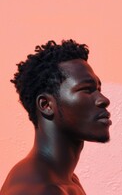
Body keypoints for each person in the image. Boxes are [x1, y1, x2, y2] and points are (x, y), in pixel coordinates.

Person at [1, 39, 112, 195]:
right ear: (46, 105)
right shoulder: (37, 190)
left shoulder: (67, 180)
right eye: (87, 90)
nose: (103, 100)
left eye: (98, 89)